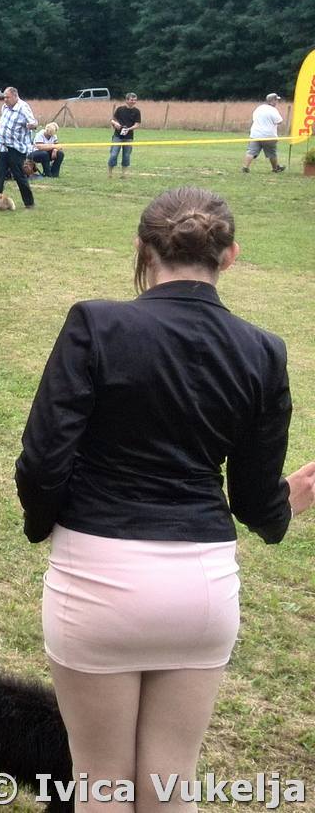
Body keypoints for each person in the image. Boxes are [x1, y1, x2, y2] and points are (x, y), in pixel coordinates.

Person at [16, 186, 315, 813]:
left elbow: (43, 461)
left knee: (100, 781)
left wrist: (45, 526)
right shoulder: (263, 350)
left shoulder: (96, 324)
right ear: (229, 255)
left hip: (98, 574)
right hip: (201, 587)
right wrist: (286, 502)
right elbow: (255, 498)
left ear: (142, 249)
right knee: (171, 783)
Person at [0, 86, 37, 209]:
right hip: (3, 147)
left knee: (19, 176)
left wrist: (31, 125)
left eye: (8, 97)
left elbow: (33, 122)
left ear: (15, 96)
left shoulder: (23, 107)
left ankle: (29, 203)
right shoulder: (4, 107)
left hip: (16, 149)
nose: (5, 100)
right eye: (4, 97)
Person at [242, 93, 286, 174]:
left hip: (255, 134)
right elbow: (279, 121)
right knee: (272, 153)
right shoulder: (273, 110)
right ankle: (275, 168)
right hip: (268, 135)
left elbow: (254, 118)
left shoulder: (259, 108)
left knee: (251, 151)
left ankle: (245, 167)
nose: (277, 102)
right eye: (276, 100)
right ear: (273, 101)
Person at [108, 92, 141, 178]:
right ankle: (110, 174)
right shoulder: (120, 109)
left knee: (126, 156)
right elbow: (112, 120)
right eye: (131, 100)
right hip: (117, 136)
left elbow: (137, 124)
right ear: (126, 100)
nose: (133, 101)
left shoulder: (137, 111)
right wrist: (116, 124)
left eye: (135, 100)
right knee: (113, 154)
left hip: (129, 137)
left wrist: (129, 129)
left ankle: (124, 174)